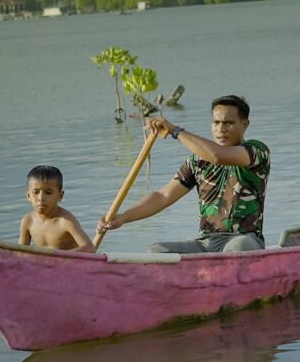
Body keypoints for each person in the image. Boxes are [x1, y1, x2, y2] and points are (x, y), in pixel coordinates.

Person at [97, 95, 270, 253]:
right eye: (216, 123)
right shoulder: (197, 162)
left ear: (245, 124)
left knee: (238, 247)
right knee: (157, 251)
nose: (221, 129)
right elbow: (163, 196)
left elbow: (218, 156)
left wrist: (175, 131)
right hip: (206, 242)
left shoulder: (256, 151)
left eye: (228, 123)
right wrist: (122, 218)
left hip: (244, 239)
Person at [19, 165, 95, 252]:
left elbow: (89, 248)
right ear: (28, 195)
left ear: (60, 196)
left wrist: (58, 258)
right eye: (36, 192)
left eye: (48, 193)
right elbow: (20, 253)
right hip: (44, 264)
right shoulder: (28, 221)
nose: (41, 198)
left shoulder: (66, 221)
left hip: (68, 264)